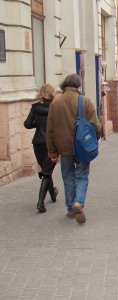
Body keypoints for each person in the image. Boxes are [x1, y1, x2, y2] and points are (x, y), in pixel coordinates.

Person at [47, 74, 101, 224]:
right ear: (78, 85)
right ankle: (79, 202)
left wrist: (52, 151)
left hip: (64, 148)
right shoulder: (86, 101)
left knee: (68, 176)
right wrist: (94, 141)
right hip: (82, 147)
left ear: (64, 85)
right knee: (82, 176)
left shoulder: (55, 103)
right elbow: (96, 125)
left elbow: (50, 130)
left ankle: (71, 209)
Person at [24, 84, 58, 213]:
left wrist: (37, 125)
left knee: (46, 170)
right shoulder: (55, 107)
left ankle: (53, 193)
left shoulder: (35, 107)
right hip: (50, 143)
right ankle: (40, 202)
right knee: (47, 171)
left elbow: (27, 124)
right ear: (52, 93)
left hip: (37, 142)